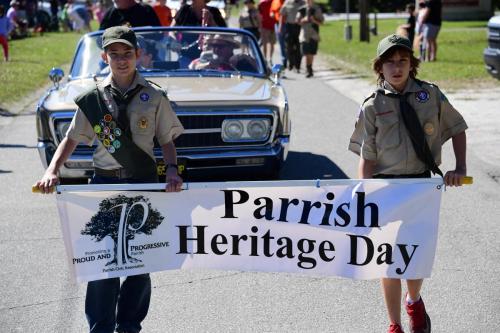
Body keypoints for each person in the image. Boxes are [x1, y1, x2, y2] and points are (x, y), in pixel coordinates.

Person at [33, 26, 184, 333]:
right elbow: (72, 139)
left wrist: (171, 169)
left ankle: (129, 326)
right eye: (114, 54)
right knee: (102, 263)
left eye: (127, 53)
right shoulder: (94, 100)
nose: (121, 60)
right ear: (104, 57)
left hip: (143, 185)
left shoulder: (153, 96)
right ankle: (100, 327)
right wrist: (53, 169)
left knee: (140, 263)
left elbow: (167, 139)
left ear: (138, 54)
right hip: (103, 185)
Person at [348, 34, 468, 333]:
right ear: (380, 68)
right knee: (387, 261)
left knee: (414, 254)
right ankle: (394, 325)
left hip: (420, 187)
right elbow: (367, 157)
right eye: (390, 62)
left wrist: (460, 167)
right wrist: (366, 194)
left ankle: (413, 300)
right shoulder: (372, 105)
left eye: (403, 61)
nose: (397, 67)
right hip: (386, 190)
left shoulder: (430, 95)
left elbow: (457, 128)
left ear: (412, 64)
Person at [296, 0, 323, 78]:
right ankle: (308, 69)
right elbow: (297, 21)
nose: (308, 1)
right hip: (304, 35)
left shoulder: (317, 9)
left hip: (314, 34)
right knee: (306, 52)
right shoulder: (301, 9)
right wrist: (303, 20)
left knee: (311, 53)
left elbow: (321, 23)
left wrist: (314, 20)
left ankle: (309, 68)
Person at [280, 0, 304, 72]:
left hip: (299, 27)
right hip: (289, 27)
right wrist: (281, 27)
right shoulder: (287, 2)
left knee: (299, 47)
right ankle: (291, 64)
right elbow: (282, 14)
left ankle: (297, 66)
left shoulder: (303, 3)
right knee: (289, 47)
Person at [258, 0, 275, 65]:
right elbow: (259, 13)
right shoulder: (262, 3)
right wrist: (260, 25)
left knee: (272, 43)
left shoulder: (275, 2)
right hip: (264, 26)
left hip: (273, 25)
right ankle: (265, 59)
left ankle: (270, 58)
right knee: (265, 43)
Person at [270, 0, 286, 68]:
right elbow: (271, 11)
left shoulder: (287, 1)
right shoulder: (275, 1)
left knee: (287, 43)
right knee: (281, 42)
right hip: (277, 24)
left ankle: (289, 60)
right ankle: (284, 60)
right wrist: (272, 14)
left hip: (286, 24)